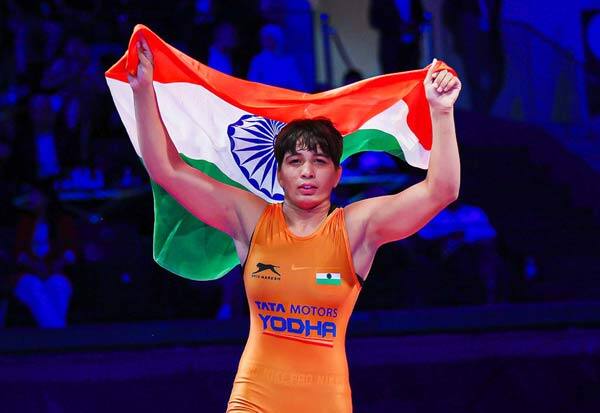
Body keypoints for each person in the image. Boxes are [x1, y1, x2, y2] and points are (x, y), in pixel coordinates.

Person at [129, 36, 461, 412]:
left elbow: (441, 190)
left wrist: (441, 112)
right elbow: (167, 169)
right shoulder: (251, 219)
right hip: (253, 401)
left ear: (337, 175)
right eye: (295, 162)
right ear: (280, 174)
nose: (307, 172)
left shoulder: (356, 229)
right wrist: (143, 90)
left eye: (319, 162)